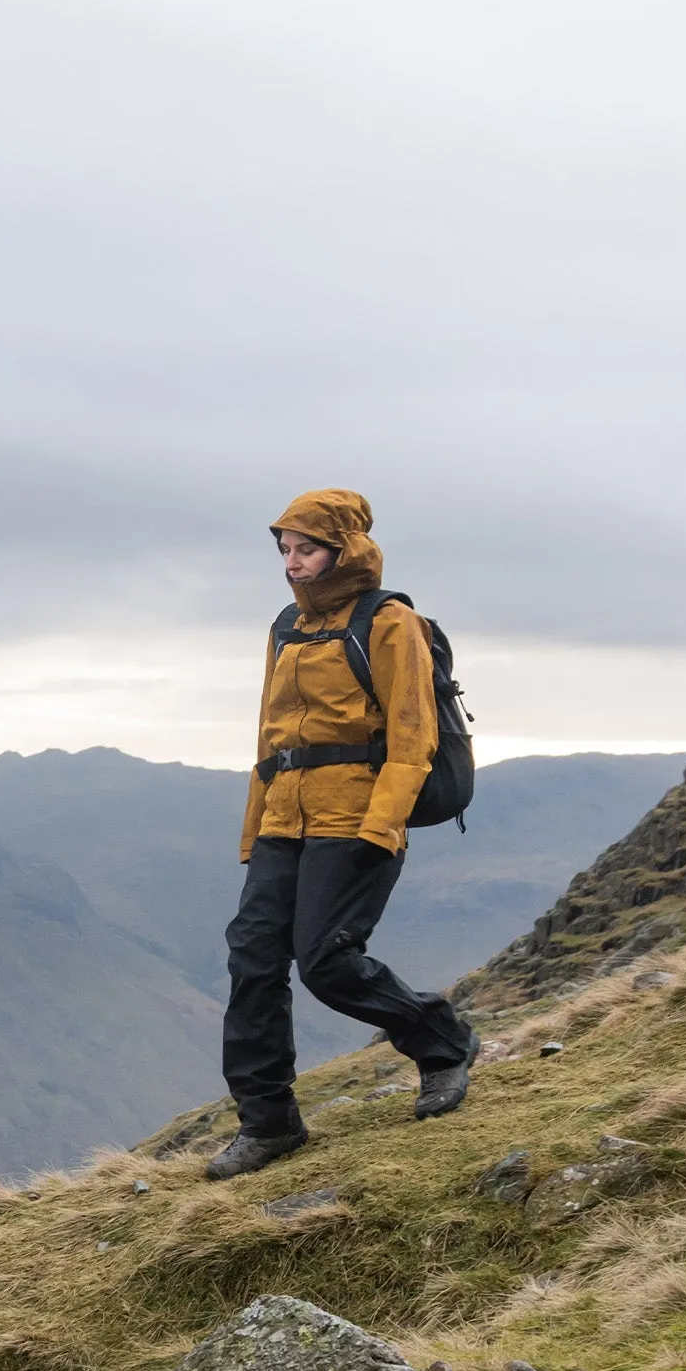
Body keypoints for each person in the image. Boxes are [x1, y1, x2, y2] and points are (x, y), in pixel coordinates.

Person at [206, 488, 478, 1181]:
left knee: (325, 961)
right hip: (282, 818)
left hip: (355, 817)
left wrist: (381, 825)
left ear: (343, 550)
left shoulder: (390, 622)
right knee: (251, 960)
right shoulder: (284, 629)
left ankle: (442, 1042)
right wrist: (252, 834)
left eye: (306, 550)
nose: (292, 565)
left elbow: (413, 734)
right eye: (285, 551)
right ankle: (268, 1124)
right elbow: (268, 738)